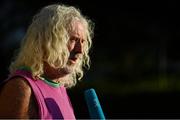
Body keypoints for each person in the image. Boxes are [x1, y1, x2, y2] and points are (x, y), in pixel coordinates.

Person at [0, 4, 94, 119]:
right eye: (73, 39)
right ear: (47, 40)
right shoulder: (21, 87)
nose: (80, 50)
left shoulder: (60, 87)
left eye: (83, 41)